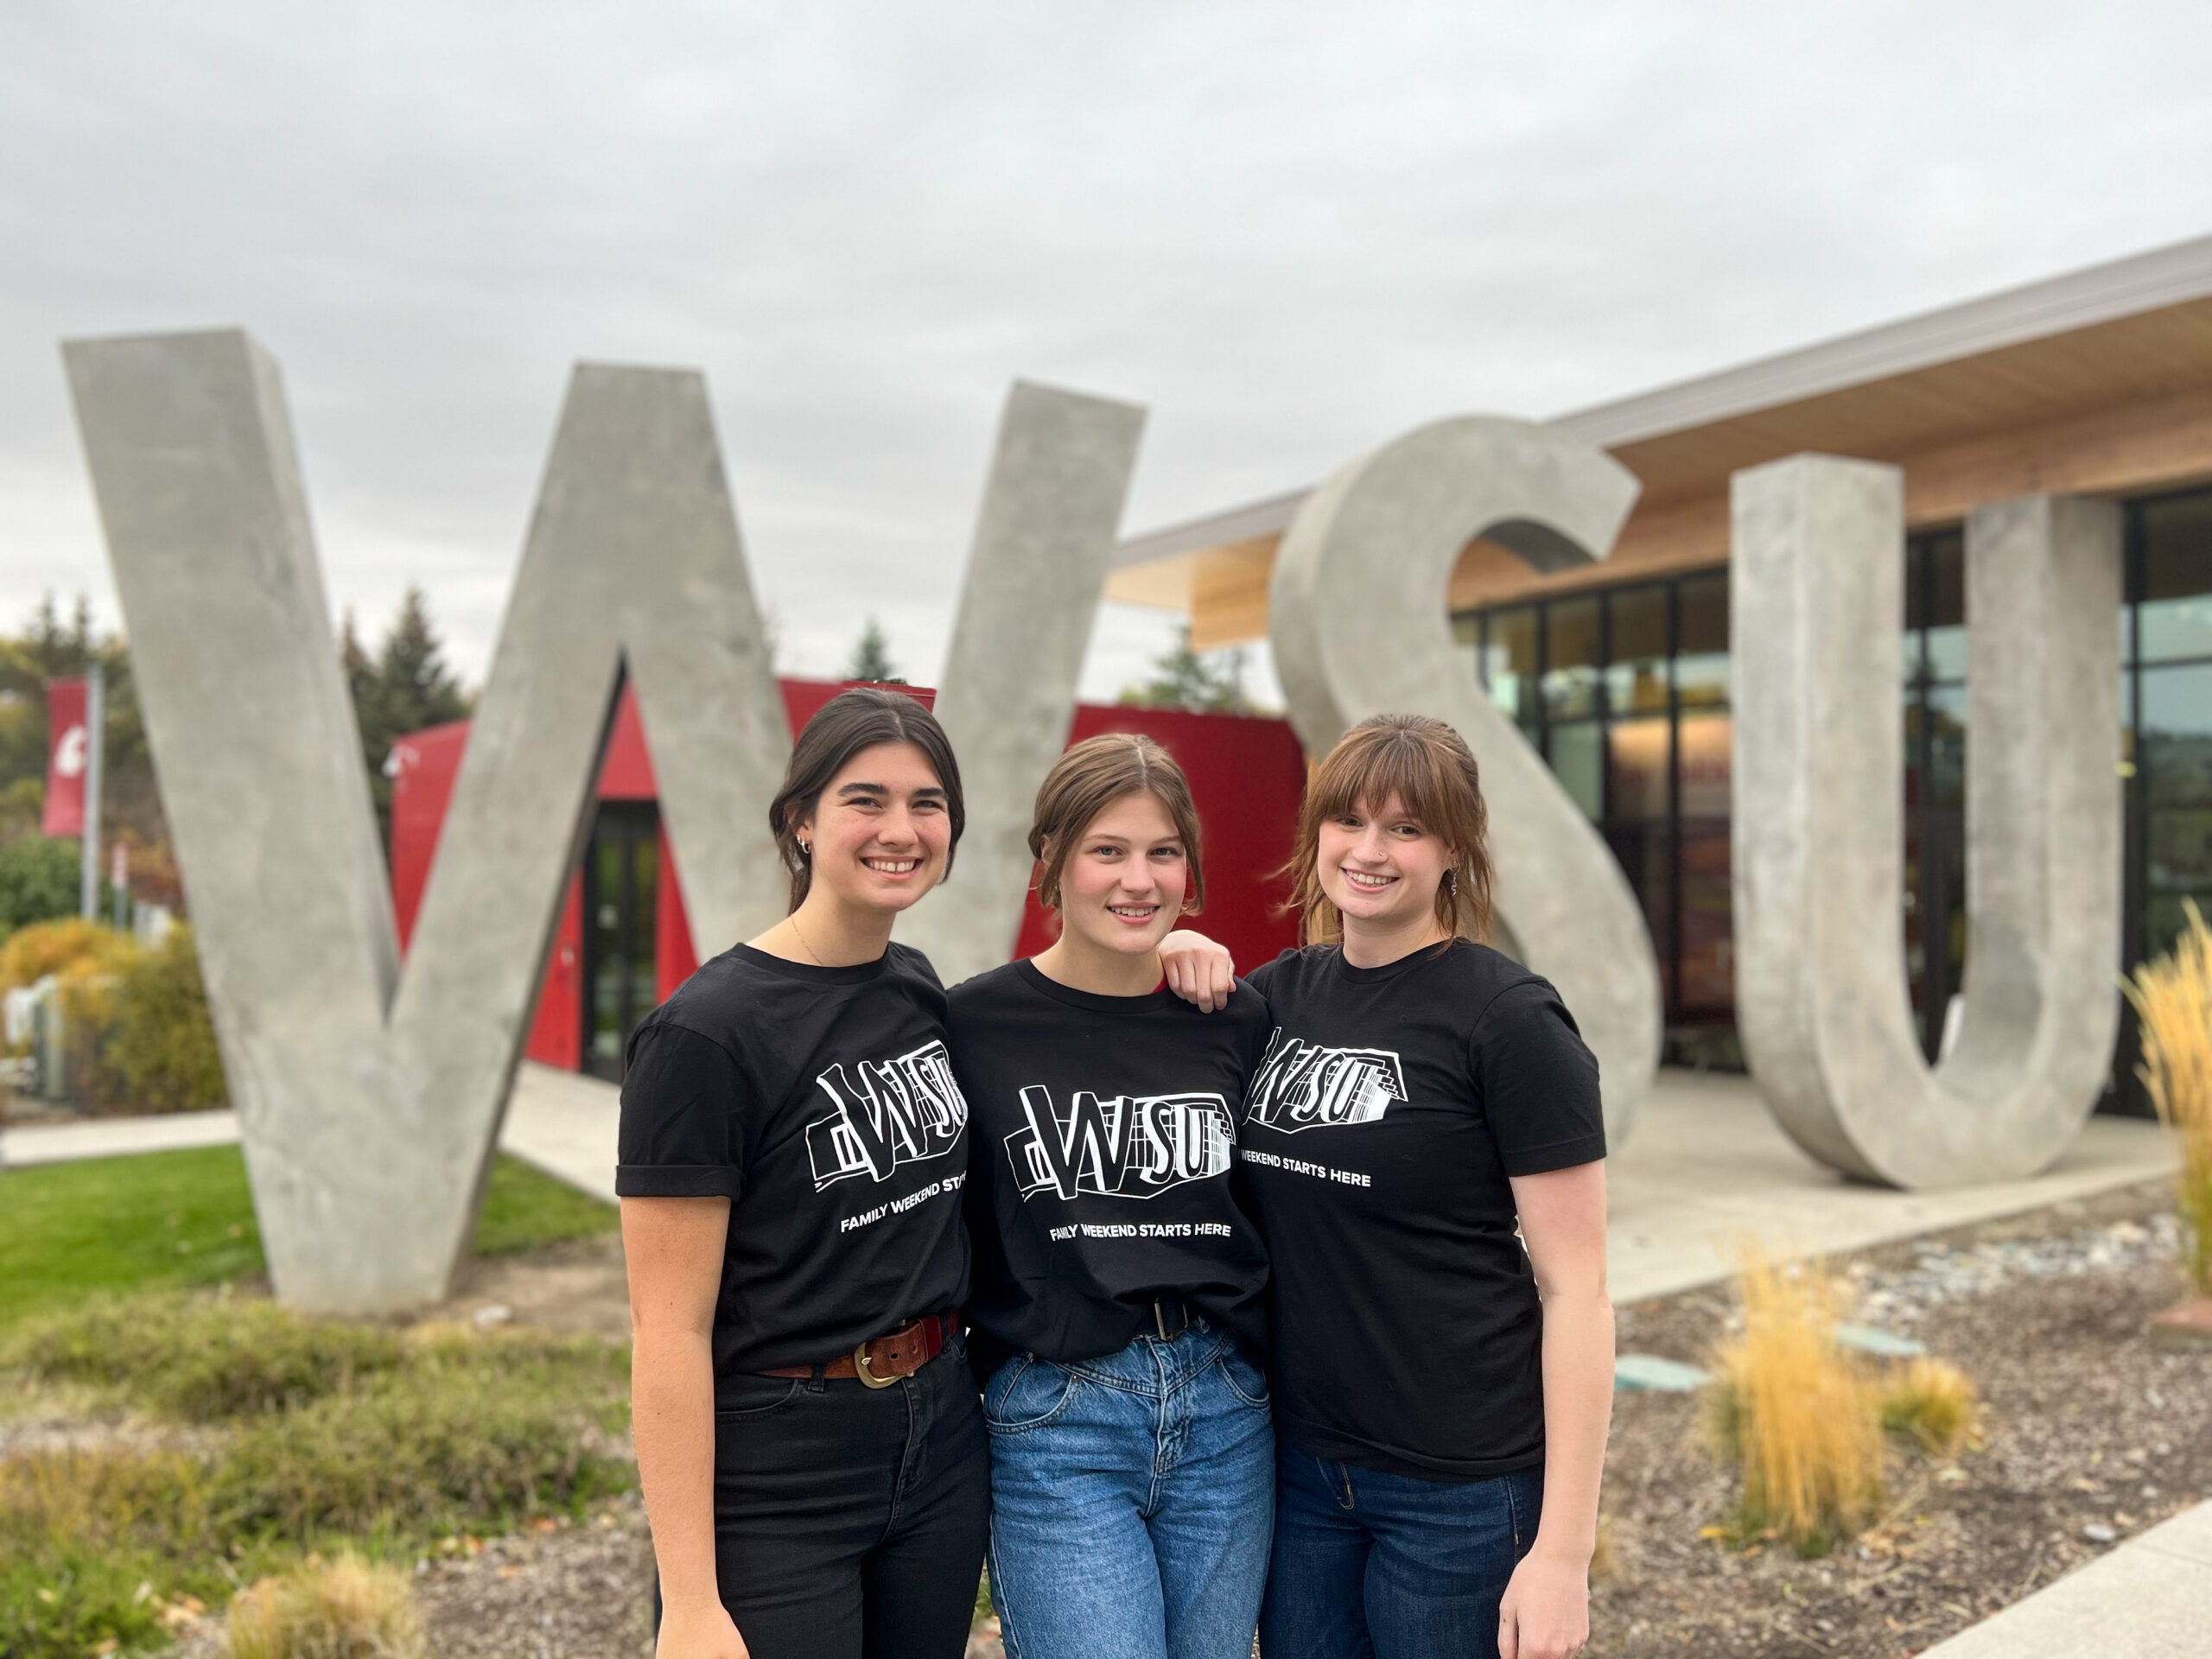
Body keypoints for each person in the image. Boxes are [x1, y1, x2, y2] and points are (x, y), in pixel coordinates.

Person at [1231, 713, 1613, 1659]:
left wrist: (1563, 1551)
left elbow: (1579, 1290)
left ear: (1454, 848)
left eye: (1405, 828)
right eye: (1347, 821)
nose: (1368, 851)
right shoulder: (1274, 997)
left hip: (1461, 1490)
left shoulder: (1509, 1020)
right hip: (1299, 1471)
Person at [618, 687, 988, 1659]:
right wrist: (692, 1603)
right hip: (780, 1468)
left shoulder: (913, 985)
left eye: (927, 803)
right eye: (866, 800)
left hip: (940, 1438)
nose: (900, 830)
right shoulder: (705, 1033)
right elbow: (667, 1329)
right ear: (802, 822)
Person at [948, 733, 1275, 1659]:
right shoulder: (974, 1023)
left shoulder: (1234, 1017)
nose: (1139, 880)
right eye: (1108, 851)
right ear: (1049, 865)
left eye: (1162, 853)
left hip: (1225, 1410)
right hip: (1059, 1419)